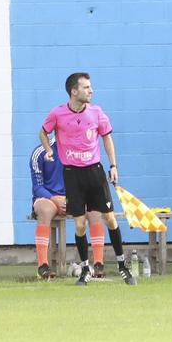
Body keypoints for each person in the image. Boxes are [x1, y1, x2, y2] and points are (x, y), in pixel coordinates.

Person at [41, 72, 131, 285]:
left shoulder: (97, 112)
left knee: (109, 218)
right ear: (74, 91)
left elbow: (107, 139)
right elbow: (43, 133)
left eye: (90, 87)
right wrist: (48, 150)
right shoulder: (57, 114)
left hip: (95, 173)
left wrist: (113, 166)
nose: (91, 91)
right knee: (80, 225)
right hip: (72, 175)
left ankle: (122, 266)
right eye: (86, 87)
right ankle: (84, 269)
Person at [29, 134, 70, 280]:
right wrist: (55, 199)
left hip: (70, 197)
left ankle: (96, 265)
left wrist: (69, 198)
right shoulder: (39, 153)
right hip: (47, 198)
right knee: (45, 210)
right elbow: (37, 187)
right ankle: (43, 266)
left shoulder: (79, 150)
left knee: (94, 209)